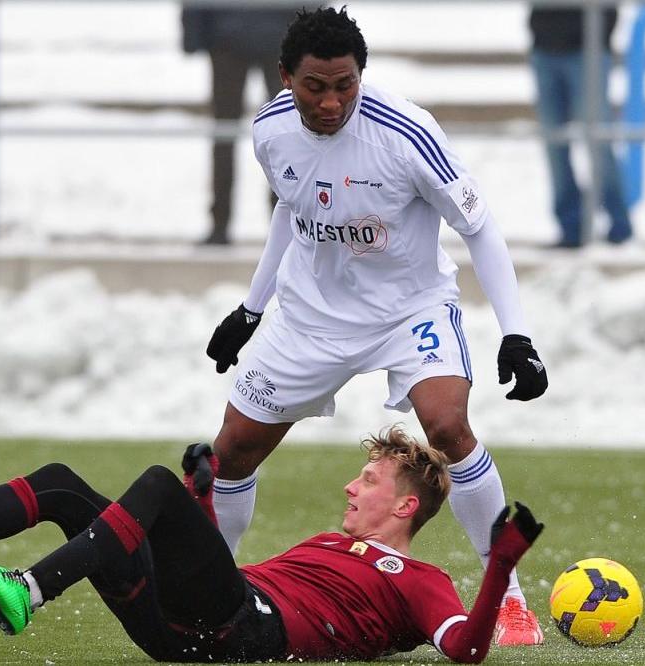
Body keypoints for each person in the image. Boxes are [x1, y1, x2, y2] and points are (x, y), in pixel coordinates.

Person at [203, 7, 549, 646]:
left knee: (447, 426)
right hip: (310, 317)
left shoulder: (407, 133)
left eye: (346, 85)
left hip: (409, 310)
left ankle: (510, 602)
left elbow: (479, 228)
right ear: (285, 77)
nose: (332, 102)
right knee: (231, 450)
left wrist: (516, 335)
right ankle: (211, 593)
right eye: (315, 87)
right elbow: (291, 208)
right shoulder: (270, 129)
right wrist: (252, 308)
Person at [0, 427, 544, 663]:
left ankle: (28, 591)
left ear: (406, 505)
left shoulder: (420, 580)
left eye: (368, 480)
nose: (350, 486)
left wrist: (502, 563)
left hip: (246, 630)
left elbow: (466, 650)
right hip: (188, 627)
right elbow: (208, 572)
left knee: (153, 486)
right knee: (61, 484)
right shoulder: (330, 543)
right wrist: (202, 496)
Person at [181, 4, 299, 245]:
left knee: (227, 134)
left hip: (232, 33)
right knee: (286, 133)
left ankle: (221, 224)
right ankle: (285, 226)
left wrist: (193, 33)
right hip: (275, 31)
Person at [528, 5, 634, 248]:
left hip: (589, 47)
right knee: (554, 145)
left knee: (598, 144)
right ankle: (571, 227)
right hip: (545, 45)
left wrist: (601, 33)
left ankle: (619, 223)